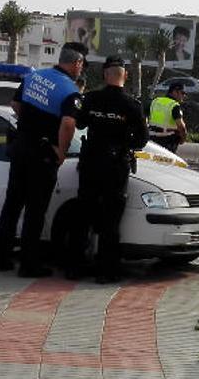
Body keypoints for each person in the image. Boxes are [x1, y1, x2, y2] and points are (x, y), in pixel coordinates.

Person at [0, 42, 87, 278]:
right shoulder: (70, 90)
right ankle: (28, 264)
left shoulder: (34, 77)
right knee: (35, 211)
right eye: (81, 65)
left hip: (21, 146)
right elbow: (68, 124)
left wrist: (31, 125)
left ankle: (1, 257)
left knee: (12, 204)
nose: (81, 69)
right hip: (43, 154)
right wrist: (62, 151)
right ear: (76, 63)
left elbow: (15, 104)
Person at [70, 55, 148, 283]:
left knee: (83, 214)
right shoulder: (132, 105)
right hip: (115, 166)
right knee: (110, 220)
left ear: (105, 75)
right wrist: (122, 145)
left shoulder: (90, 99)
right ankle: (106, 271)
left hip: (91, 163)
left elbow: (80, 123)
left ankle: (74, 267)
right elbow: (142, 139)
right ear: (126, 75)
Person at [148, 83, 187, 153]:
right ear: (175, 92)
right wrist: (183, 139)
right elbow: (181, 127)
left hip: (152, 139)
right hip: (167, 141)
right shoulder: (174, 106)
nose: (184, 96)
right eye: (182, 93)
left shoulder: (155, 101)